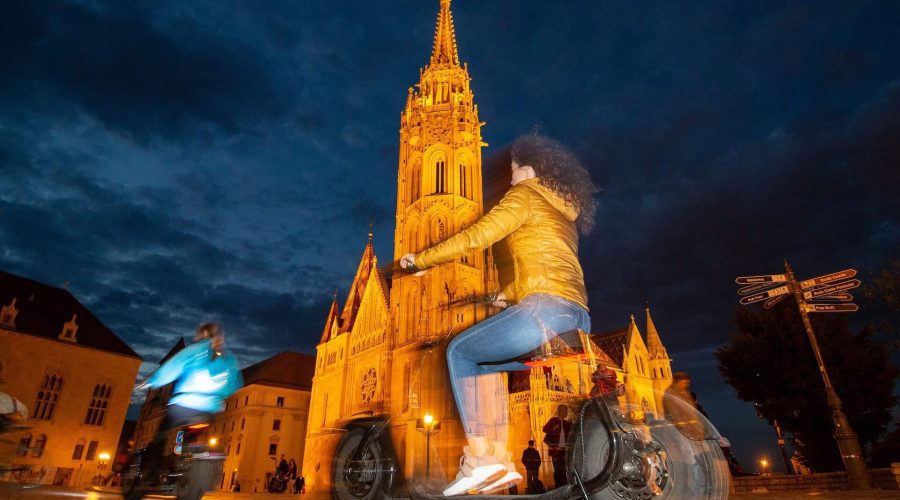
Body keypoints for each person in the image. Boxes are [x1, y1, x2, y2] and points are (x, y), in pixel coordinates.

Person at [401, 133, 597, 495]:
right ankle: (500, 459)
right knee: (487, 366)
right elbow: (550, 264)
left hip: (545, 310)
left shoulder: (523, 195)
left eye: (513, 170)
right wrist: (505, 296)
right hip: (576, 315)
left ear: (529, 168)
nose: (509, 178)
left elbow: (478, 235)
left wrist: (422, 259)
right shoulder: (560, 211)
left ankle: (480, 458)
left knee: (460, 352)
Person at [139, 322, 243, 485]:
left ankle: (149, 472)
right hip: (209, 410)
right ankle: (187, 466)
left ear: (203, 335)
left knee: (161, 435)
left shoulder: (196, 350)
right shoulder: (229, 359)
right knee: (191, 438)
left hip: (183, 405)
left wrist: (151, 381)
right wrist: (219, 398)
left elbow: (171, 368)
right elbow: (235, 384)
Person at [663, 372, 706, 440]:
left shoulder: (684, 392)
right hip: (683, 433)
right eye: (684, 383)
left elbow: (692, 410)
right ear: (677, 382)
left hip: (694, 431)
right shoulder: (670, 395)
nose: (686, 385)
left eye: (687, 383)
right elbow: (675, 415)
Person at [542, 405, 573, 489]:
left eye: (566, 411)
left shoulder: (567, 424)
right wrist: (553, 428)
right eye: (564, 411)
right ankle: (559, 488)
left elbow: (573, 434)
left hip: (565, 451)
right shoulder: (553, 421)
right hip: (556, 451)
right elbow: (544, 429)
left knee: (565, 470)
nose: (566, 413)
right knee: (558, 470)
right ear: (559, 412)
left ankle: (565, 487)